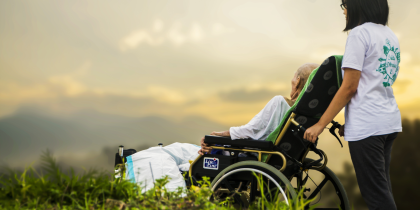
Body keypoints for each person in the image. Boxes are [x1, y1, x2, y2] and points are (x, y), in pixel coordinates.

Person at [304, 1, 401, 209]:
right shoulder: (389, 35)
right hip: (388, 122)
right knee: (383, 191)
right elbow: (377, 82)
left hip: (369, 128)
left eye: (345, 4)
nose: (344, 10)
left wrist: (320, 124)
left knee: (377, 198)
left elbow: (350, 87)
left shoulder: (359, 34)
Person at [199, 63, 318, 155]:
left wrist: (219, 135)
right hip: (279, 158)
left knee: (181, 151)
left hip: (250, 154)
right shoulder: (310, 116)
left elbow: (251, 130)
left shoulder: (280, 103)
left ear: (297, 81)